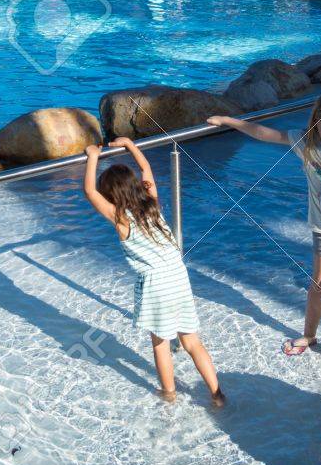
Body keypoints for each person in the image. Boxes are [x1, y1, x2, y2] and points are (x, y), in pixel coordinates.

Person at [207, 95, 321, 396]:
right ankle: (309, 336)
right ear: (317, 124)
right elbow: (265, 133)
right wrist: (229, 121)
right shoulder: (305, 143)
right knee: (319, 286)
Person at [82, 137, 225, 407]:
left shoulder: (121, 219)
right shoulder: (152, 204)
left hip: (156, 285)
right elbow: (146, 169)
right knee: (192, 342)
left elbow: (90, 192)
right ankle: (217, 395)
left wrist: (92, 156)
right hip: (178, 277)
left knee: (160, 343)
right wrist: (130, 145)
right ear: (135, 186)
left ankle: (169, 394)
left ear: (112, 197)